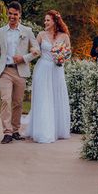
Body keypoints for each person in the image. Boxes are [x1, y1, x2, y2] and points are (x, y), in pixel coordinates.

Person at [0, 2, 39, 144]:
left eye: (15, 14)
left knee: (17, 102)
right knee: (5, 100)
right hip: (5, 71)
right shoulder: (0, 32)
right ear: (7, 14)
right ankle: (7, 132)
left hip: (21, 71)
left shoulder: (27, 31)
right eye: (10, 13)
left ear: (19, 15)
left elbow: (37, 50)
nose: (12, 16)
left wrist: (24, 58)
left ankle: (16, 130)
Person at [25, 10, 71, 143]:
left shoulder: (64, 36)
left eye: (47, 20)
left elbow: (68, 52)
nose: (45, 22)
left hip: (57, 70)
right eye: (44, 20)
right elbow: (34, 49)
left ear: (55, 21)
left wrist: (62, 58)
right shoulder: (41, 35)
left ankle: (58, 129)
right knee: (44, 98)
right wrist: (33, 51)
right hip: (43, 69)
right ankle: (43, 131)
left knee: (56, 97)